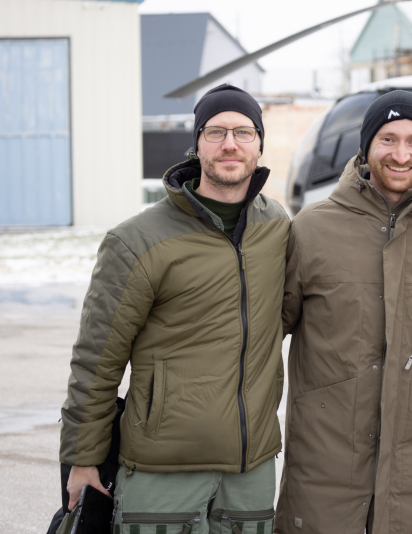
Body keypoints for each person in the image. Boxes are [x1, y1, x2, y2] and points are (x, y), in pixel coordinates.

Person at [60, 83, 290, 532]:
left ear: (260, 144)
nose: (230, 144)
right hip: (162, 470)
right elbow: (97, 360)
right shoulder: (137, 241)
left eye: (243, 132)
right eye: (216, 131)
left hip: (252, 470)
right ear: (197, 143)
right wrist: (82, 458)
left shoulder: (277, 225)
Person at [277, 90, 412, 534]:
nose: (401, 154)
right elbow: (264, 335)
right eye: (387, 139)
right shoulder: (312, 229)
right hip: (322, 471)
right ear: (366, 148)